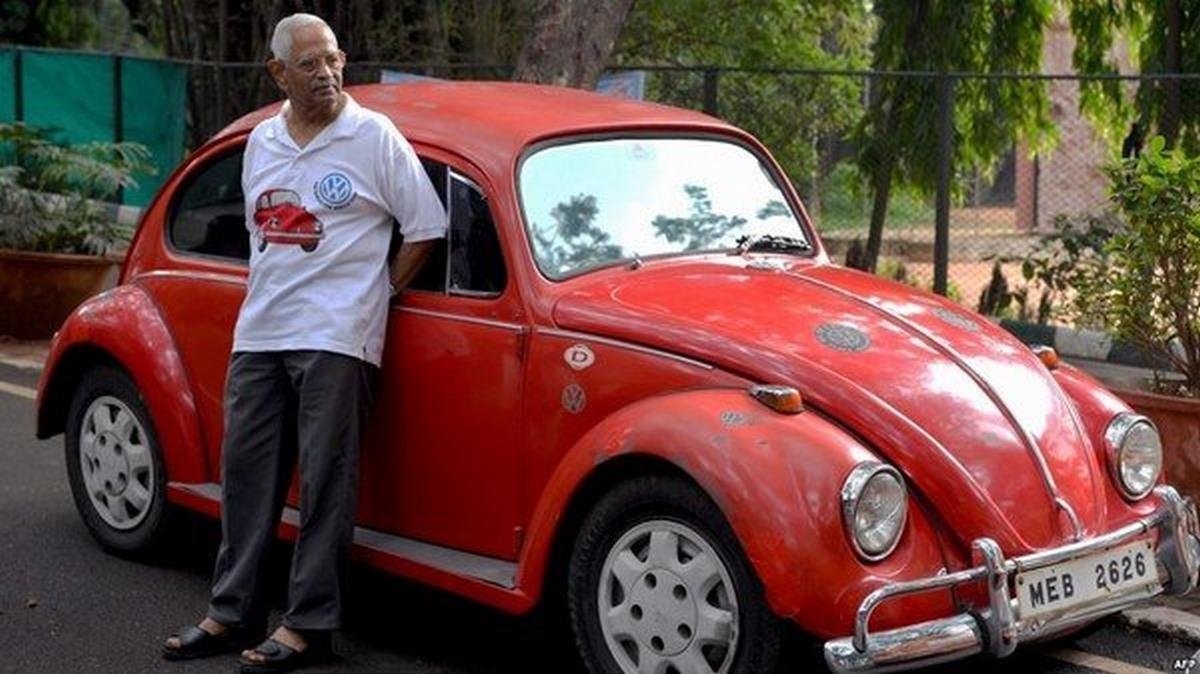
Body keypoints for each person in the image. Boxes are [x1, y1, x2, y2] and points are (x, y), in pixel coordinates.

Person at [162, 12, 447, 673]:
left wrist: (374, 295)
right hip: (261, 329)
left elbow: (425, 227)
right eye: (310, 63)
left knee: (325, 482)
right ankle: (232, 614)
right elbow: (265, 234)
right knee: (246, 477)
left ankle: (310, 625)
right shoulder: (262, 141)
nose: (326, 72)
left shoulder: (374, 137)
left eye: (333, 59)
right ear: (278, 73)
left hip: (336, 335)